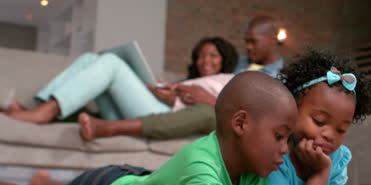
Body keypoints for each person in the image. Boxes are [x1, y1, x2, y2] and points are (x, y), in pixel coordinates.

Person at [0, 71, 350, 185]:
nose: (285, 150)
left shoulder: (255, 169)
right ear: (241, 123)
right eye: (279, 136)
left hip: (136, 181)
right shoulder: (200, 162)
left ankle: (48, 180)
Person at [181, 49, 371, 185]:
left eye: (341, 129)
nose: (330, 135)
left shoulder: (337, 157)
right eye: (319, 121)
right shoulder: (276, 155)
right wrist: (320, 174)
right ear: (292, 110)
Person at [77, 15, 284, 141]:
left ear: (273, 39)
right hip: (197, 109)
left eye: (253, 42)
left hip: (231, 123)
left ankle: (108, 126)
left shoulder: (278, 78)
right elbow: (201, 81)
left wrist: (211, 101)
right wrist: (174, 90)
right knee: (92, 59)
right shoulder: (240, 63)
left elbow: (260, 117)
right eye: (246, 42)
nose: (248, 47)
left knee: (205, 112)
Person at [4, 37, 238, 128]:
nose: (205, 60)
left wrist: (178, 98)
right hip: (151, 106)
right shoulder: (194, 79)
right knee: (90, 59)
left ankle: (45, 114)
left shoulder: (230, 81)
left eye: (213, 55)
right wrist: (163, 89)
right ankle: (40, 107)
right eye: (201, 55)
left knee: (111, 63)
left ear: (225, 59)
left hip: (162, 117)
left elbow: (230, 111)